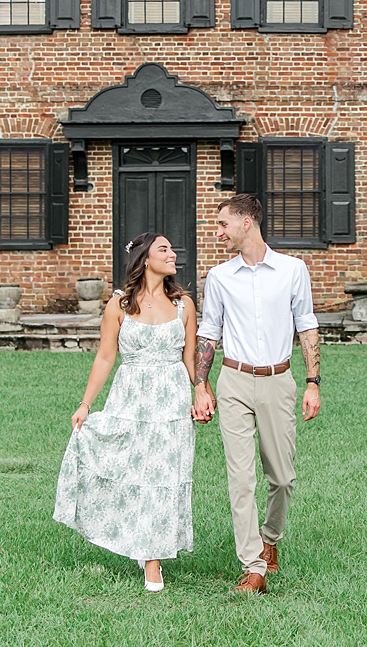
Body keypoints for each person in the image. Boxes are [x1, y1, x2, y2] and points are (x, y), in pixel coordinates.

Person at [53, 232, 197, 592]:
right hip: (130, 399)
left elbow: (191, 360)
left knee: (163, 478)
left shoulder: (184, 305)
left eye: (172, 248)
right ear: (145, 259)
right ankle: (136, 539)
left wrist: (202, 392)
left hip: (171, 402)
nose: (173, 253)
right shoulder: (118, 306)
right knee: (134, 474)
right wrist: (86, 404)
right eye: (164, 248)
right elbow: (105, 357)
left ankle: (153, 561)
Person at [192, 193, 320, 593]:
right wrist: (201, 384)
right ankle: (253, 567)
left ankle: (270, 540)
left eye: (223, 224)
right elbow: (209, 333)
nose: (218, 233)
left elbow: (307, 325)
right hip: (233, 382)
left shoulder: (293, 270)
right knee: (240, 478)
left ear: (247, 222)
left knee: (281, 477)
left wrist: (313, 382)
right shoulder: (219, 277)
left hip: (279, 381)